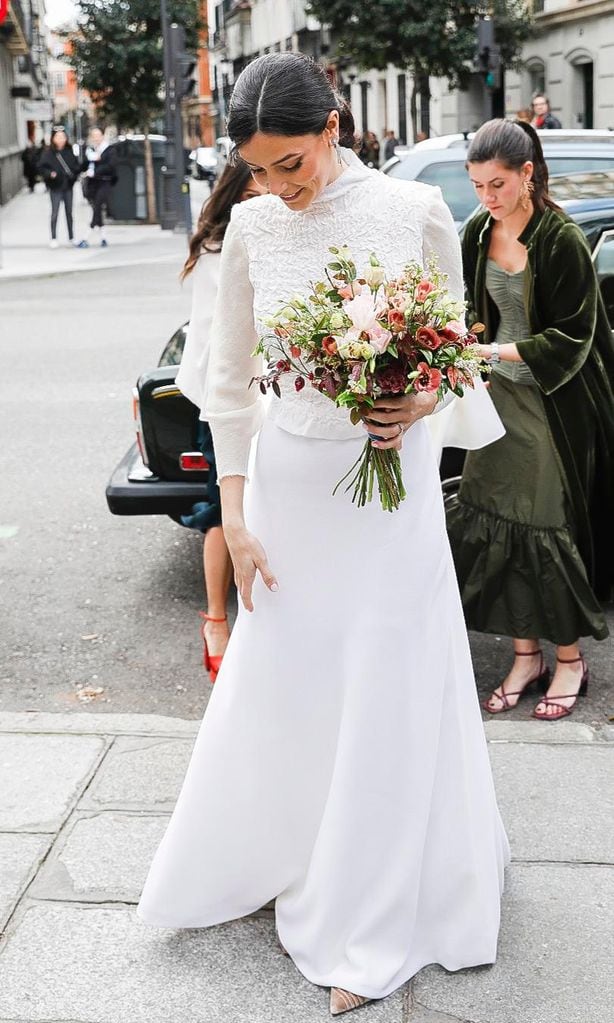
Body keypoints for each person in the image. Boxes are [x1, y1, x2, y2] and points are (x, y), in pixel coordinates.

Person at [137, 52, 509, 1016]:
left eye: (289, 163)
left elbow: (455, 357)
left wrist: (421, 392)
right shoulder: (253, 227)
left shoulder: (413, 214)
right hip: (294, 492)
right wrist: (236, 511)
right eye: (258, 168)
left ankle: (369, 912)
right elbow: (224, 385)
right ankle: (281, 849)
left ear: (335, 127)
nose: (274, 186)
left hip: (392, 492)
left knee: (388, 680)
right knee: (292, 677)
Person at [447, 119, 614, 720]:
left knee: (543, 528)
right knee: (493, 520)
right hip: (493, 403)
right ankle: (526, 656)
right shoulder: (474, 232)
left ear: (528, 174)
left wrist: (494, 352)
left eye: (497, 184)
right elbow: (465, 310)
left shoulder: (560, 237)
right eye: (476, 185)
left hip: (554, 404)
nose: (486, 197)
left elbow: (573, 339)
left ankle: (568, 659)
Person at [175, 161, 266, 683]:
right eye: (254, 194)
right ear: (234, 196)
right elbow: (215, 342)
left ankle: (251, 623)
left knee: (258, 506)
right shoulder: (218, 251)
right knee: (222, 508)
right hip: (221, 397)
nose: (266, 200)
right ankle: (215, 620)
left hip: (262, 393)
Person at [38, 126, 82, 248]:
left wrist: (73, 176)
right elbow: (41, 167)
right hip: (55, 187)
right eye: (58, 137)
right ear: (53, 139)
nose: (60, 139)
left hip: (68, 186)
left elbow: (76, 167)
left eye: (63, 137)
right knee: (55, 212)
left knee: (69, 213)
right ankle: (53, 237)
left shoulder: (70, 151)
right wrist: (50, 174)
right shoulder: (48, 153)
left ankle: (71, 237)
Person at [77, 127, 118, 248]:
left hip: (105, 182)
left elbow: (111, 166)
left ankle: (86, 236)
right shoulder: (90, 150)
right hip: (92, 184)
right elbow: (83, 165)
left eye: (98, 135)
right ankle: (103, 238)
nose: (96, 138)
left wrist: (96, 171)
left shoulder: (109, 150)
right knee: (97, 208)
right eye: (93, 136)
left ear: (102, 136)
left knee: (98, 206)